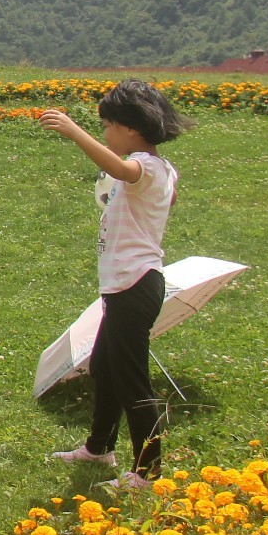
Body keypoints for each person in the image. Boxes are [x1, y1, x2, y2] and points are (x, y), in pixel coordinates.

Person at [39, 80, 189, 492]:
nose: (104, 133)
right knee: (105, 367)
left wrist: (74, 131)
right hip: (127, 285)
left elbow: (124, 170)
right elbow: (136, 185)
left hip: (134, 285)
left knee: (131, 379)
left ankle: (147, 473)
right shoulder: (160, 170)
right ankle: (99, 448)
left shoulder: (148, 167)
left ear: (132, 128)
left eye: (107, 125)